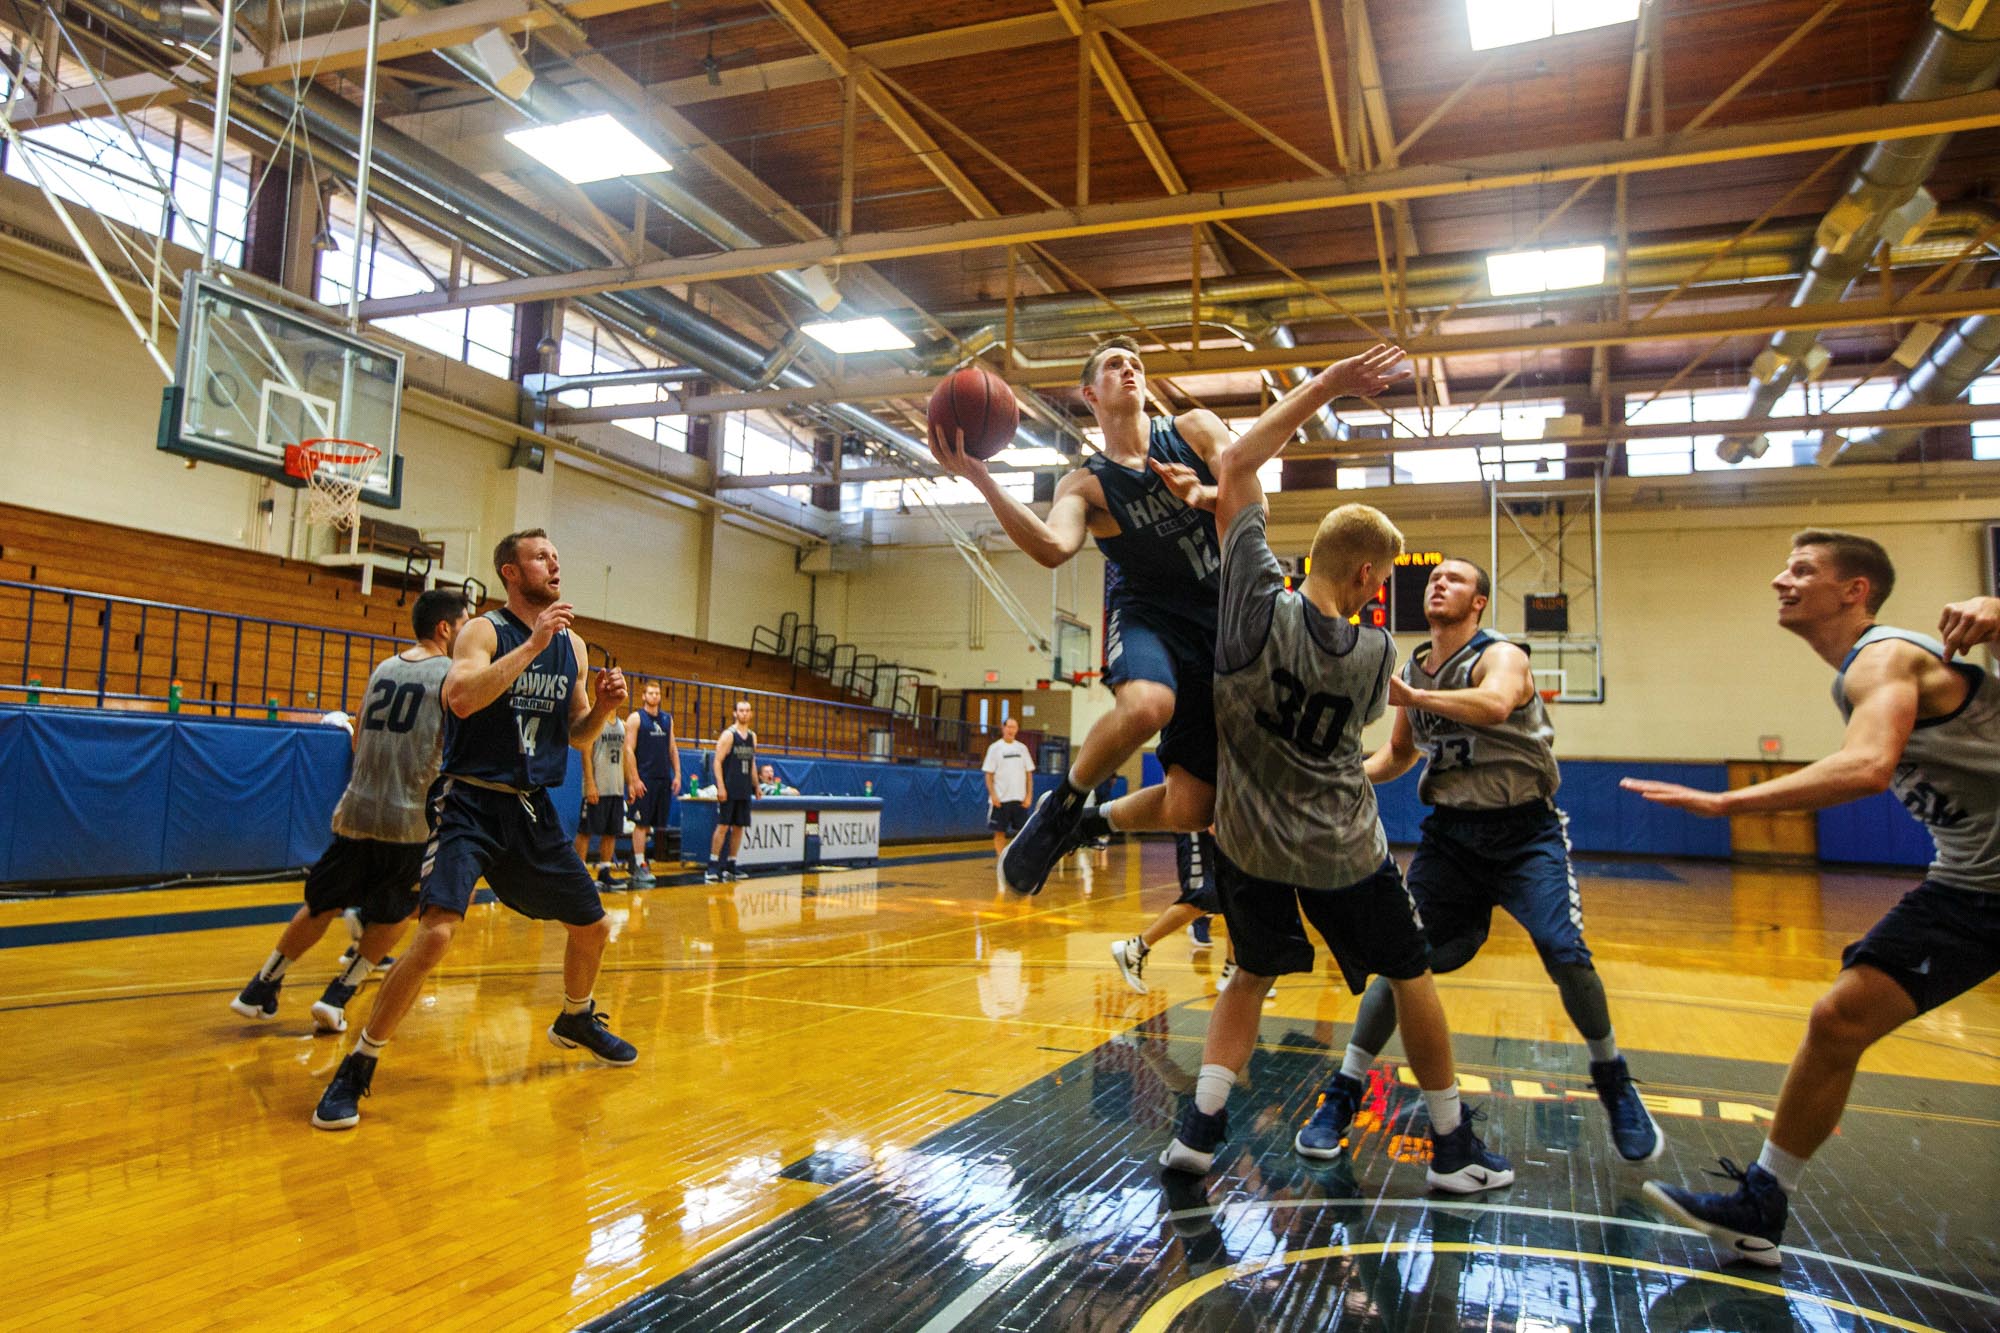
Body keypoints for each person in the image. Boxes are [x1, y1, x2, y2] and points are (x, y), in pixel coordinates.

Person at [1154, 350, 1513, 1196]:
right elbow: (1379, 750)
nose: (1385, 591)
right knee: (1410, 971)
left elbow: (1238, 463)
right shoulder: (1380, 652)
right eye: (1384, 578)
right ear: (1364, 575)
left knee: (1250, 970)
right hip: (1346, 848)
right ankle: (1455, 1147)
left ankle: (1201, 1134)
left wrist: (1322, 391)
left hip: (1247, 840)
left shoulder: (1250, 609)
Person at [1624, 530, 2000, 1266]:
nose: (1779, 580)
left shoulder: (1886, 654)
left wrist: (1726, 803)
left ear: (1854, 590)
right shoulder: (1860, 672)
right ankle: (1762, 1201)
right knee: (1838, 1017)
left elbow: (1866, 767)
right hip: (1973, 884)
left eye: (1802, 571)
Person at [931, 337, 1407, 897]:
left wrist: (1205, 495)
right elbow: (1053, 547)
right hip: (1149, 615)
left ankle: (1090, 823)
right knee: (1149, 706)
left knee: (1190, 808)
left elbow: (1248, 484)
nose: (1129, 370)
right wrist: (983, 479)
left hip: (1223, 621)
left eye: (1135, 364)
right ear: (1091, 393)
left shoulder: (1192, 429)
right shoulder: (1085, 483)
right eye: (1114, 365)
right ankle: (1062, 806)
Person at [1336, 556, 1662, 1164]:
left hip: (1523, 834)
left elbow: (1493, 705)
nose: (1439, 582)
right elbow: (1399, 754)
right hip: (1452, 838)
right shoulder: (1414, 667)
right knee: (1402, 961)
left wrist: (1415, 694)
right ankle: (1346, 1087)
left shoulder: (1501, 655)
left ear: (1479, 602)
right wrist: (1342, 774)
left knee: (1565, 954)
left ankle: (1612, 1076)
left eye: (1454, 579)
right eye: (1435, 578)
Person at [310, 529, 637, 1131]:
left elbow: (577, 735)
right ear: (511, 572)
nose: (554, 564)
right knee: (434, 935)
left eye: (557, 557)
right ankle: (357, 1065)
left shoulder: (576, 647)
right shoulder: (484, 631)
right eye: (541, 557)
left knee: (592, 926)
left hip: (530, 807)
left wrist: (606, 709)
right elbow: (460, 698)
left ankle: (575, 1016)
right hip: (469, 802)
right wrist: (533, 645)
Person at [230, 589, 468, 1033]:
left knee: (321, 904)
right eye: (464, 626)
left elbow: (357, 737)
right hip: (409, 817)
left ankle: (261, 985)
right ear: (445, 629)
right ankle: (338, 995)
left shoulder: (383, 667)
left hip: (357, 808)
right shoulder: (453, 675)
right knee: (401, 913)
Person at [1109, 830, 1219, 995]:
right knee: (1202, 896)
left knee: (1231, 893)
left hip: (1223, 823)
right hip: (1196, 823)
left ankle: (1236, 970)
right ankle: (1134, 949)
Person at [623, 681, 680, 887]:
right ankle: (640, 864)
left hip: (663, 778)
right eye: (651, 693)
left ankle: (635, 860)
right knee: (641, 823)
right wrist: (634, 779)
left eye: (657, 693)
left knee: (652, 825)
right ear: (643, 696)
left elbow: (672, 748)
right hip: (644, 779)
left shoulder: (667, 719)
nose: (654, 696)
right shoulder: (636, 718)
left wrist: (678, 775)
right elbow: (628, 750)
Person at [576, 702, 630, 887]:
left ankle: (604, 872)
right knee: (586, 831)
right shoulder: (595, 722)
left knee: (611, 832)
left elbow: (626, 758)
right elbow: (585, 753)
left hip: (616, 788)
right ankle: (579, 874)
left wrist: (629, 784)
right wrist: (590, 783)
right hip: (597, 786)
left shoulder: (623, 726)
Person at [707, 700, 758, 883]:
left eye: (747, 711)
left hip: (744, 789)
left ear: (750, 714)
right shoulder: (729, 735)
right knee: (723, 827)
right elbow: (717, 761)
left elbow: (752, 762)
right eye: (741, 710)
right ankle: (712, 865)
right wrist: (721, 786)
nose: (744, 714)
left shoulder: (752, 736)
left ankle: (731, 864)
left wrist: (757, 785)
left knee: (739, 828)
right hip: (729, 789)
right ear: (735, 713)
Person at [981, 716, 1035, 856]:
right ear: (1003, 728)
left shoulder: (1022, 748)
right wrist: (993, 795)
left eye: (1014, 727)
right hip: (1001, 799)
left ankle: (1020, 857)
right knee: (999, 831)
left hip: (1019, 798)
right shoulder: (994, 748)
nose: (1011, 730)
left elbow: (1029, 774)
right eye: (1008, 727)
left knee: (1023, 831)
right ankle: (1001, 859)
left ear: (1017, 730)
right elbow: (989, 774)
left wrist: (1029, 795)